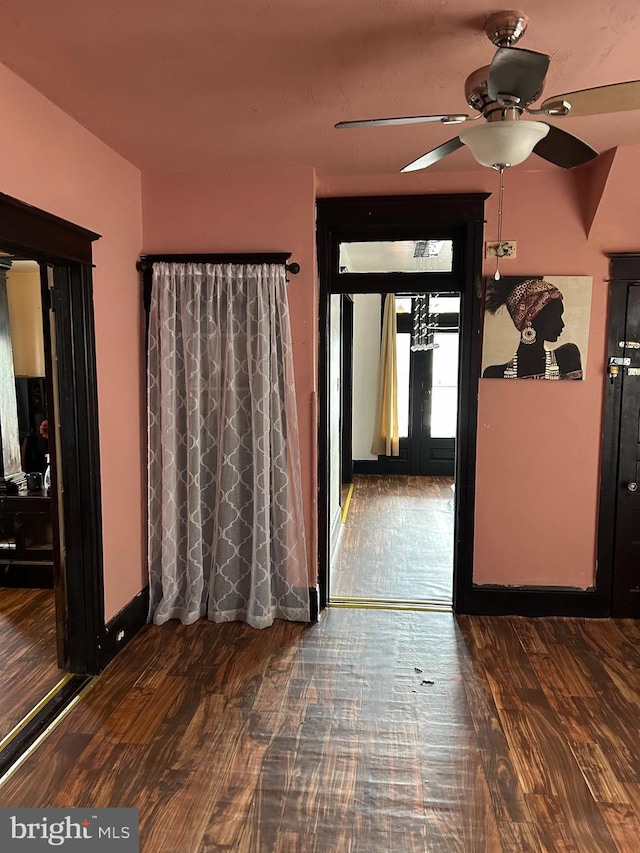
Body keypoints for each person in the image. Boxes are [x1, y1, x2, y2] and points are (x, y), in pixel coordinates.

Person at [482, 278, 582, 380]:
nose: (562, 324)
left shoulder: (568, 356)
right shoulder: (494, 374)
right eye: (555, 317)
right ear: (530, 319)